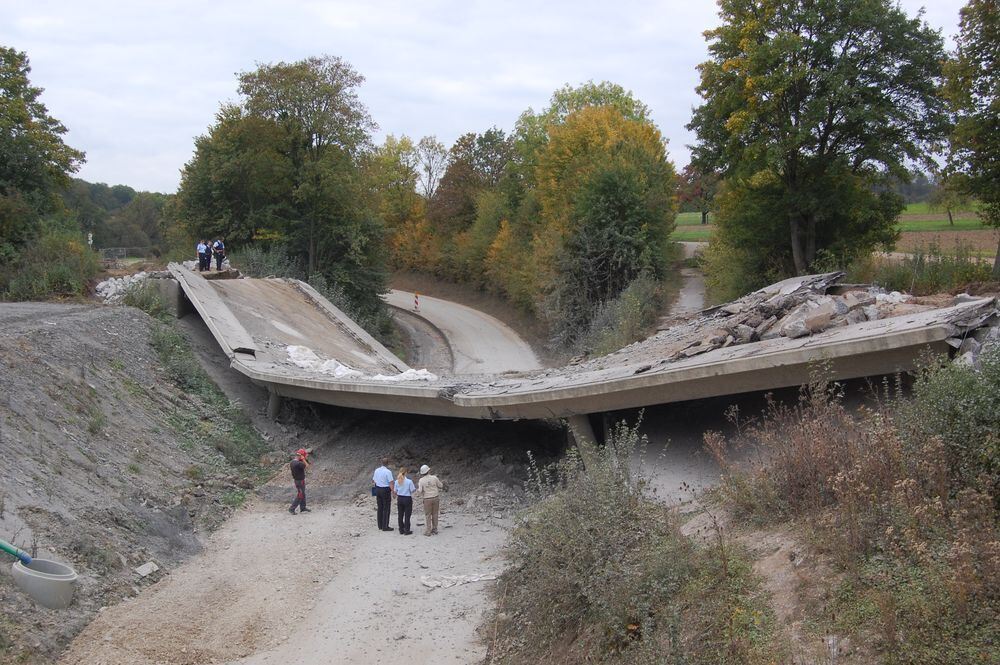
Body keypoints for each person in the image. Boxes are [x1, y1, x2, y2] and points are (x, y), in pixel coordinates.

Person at [417, 464, 444, 536]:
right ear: (428, 470)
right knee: (435, 514)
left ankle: (428, 531)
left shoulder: (421, 480)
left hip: (427, 499)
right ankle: (435, 529)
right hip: (435, 497)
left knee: (428, 515)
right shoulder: (434, 478)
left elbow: (420, 490)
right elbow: (440, 485)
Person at [372, 457, 394, 531]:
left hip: (378, 489)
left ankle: (380, 525)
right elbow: (391, 483)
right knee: (386, 508)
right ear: (388, 463)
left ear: (381, 463)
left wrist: (374, 492)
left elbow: (374, 481)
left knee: (380, 507)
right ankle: (385, 526)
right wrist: (393, 492)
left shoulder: (376, 470)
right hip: (385, 490)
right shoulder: (388, 472)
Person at [392, 467, 416, 535]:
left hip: (400, 498)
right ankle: (407, 530)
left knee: (400, 514)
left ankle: (401, 529)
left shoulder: (396, 481)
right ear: (406, 473)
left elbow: (395, 491)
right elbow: (412, 490)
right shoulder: (409, 481)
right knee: (407, 515)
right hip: (407, 498)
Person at [288, 448, 311, 514]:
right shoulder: (298, 463)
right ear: (301, 456)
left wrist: (303, 458)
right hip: (300, 482)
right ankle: (292, 509)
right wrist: (303, 459)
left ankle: (303, 508)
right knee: (300, 495)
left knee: (303, 494)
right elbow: (307, 466)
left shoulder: (292, 462)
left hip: (298, 481)